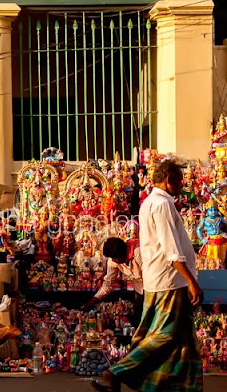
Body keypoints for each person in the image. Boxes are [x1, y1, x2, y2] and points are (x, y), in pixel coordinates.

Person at [92, 160, 203, 392]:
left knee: (184, 341)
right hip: (169, 281)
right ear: (169, 179)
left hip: (163, 280)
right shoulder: (161, 204)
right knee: (164, 335)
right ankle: (115, 372)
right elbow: (171, 250)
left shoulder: (150, 203)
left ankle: (177, 386)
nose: (182, 183)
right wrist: (192, 283)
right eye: (179, 179)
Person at [86, 237, 144, 327]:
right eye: (112, 258)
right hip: (140, 289)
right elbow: (109, 283)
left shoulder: (139, 253)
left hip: (154, 286)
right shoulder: (113, 261)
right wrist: (95, 299)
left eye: (115, 258)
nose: (113, 260)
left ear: (123, 253)